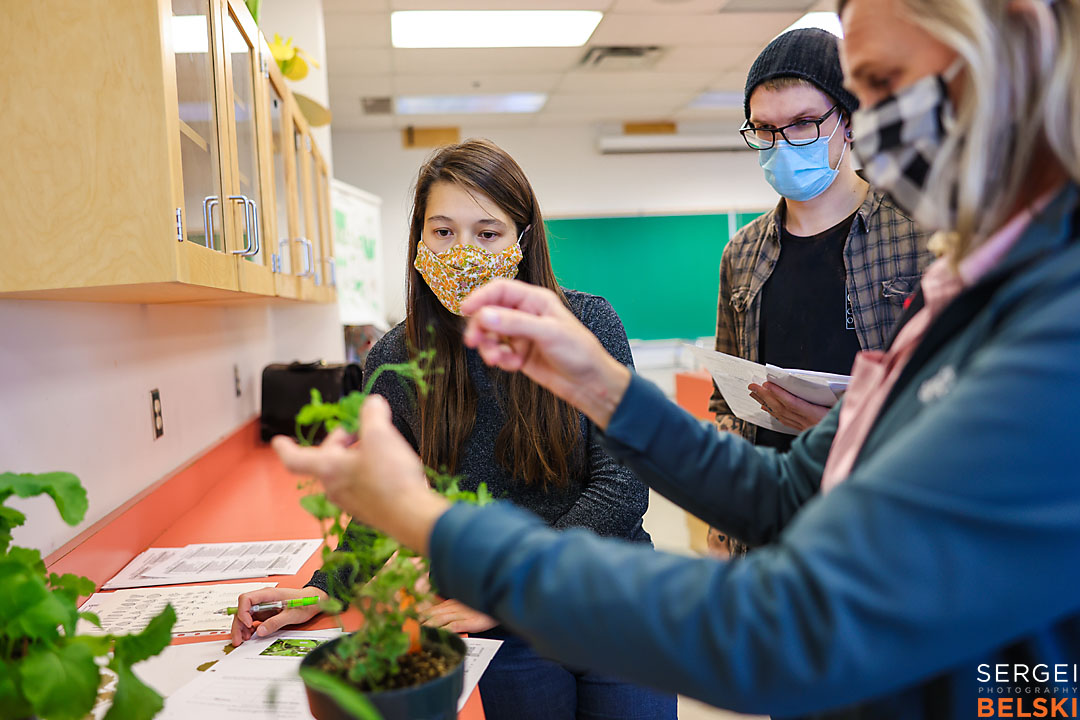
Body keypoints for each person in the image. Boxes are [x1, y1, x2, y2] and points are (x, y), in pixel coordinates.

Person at [271, 0, 1080, 717]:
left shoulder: (1056, 320)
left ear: (1016, 40)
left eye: (881, 85)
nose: (865, 129)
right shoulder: (961, 290)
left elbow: (784, 628)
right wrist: (600, 386)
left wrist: (436, 530)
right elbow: (782, 489)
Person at [234, 139, 676, 720]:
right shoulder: (396, 357)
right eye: (443, 232)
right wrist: (325, 588)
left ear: (522, 240)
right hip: (504, 631)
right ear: (419, 240)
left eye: (487, 233)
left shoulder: (585, 324)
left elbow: (622, 486)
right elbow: (384, 501)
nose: (463, 251)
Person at [705, 28, 932, 556]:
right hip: (772, 528)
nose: (782, 145)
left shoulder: (920, 234)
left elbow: (954, 400)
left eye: (804, 124)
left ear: (848, 124)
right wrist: (722, 523)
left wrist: (843, 427)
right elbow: (727, 400)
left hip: (882, 519)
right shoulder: (741, 252)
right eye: (764, 129)